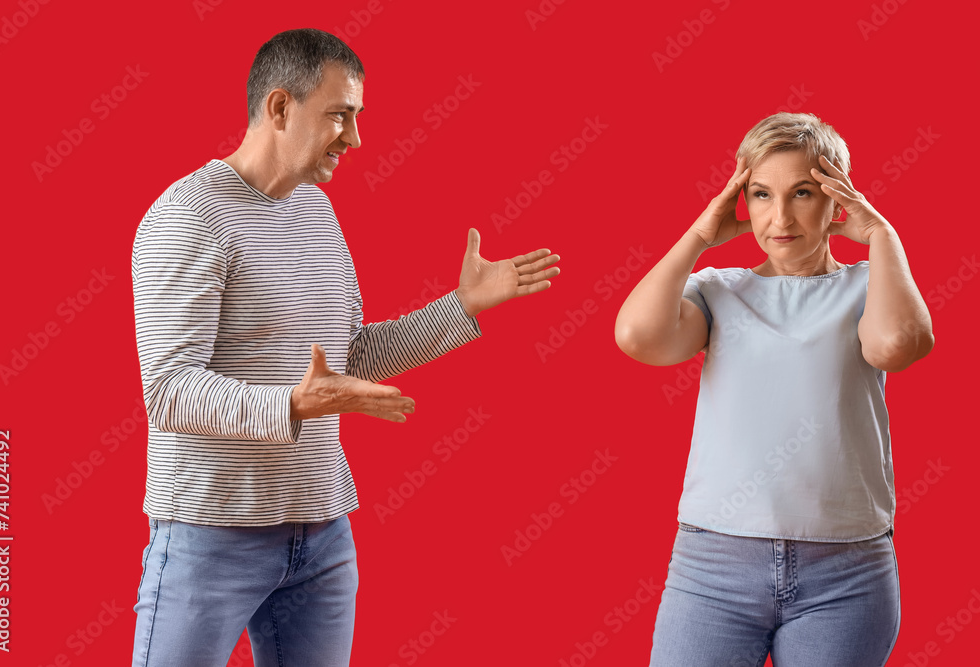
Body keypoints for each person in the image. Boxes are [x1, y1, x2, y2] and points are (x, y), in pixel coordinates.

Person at [130, 28, 560, 667]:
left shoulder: (316, 212)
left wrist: (462, 307)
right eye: (340, 115)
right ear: (280, 107)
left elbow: (347, 359)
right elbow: (169, 389)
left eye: (357, 117)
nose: (355, 138)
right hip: (210, 532)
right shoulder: (189, 216)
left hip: (322, 533)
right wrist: (293, 406)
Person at [615, 112, 933, 666]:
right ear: (743, 200)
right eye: (761, 194)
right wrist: (698, 238)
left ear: (837, 199)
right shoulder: (718, 291)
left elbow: (898, 345)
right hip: (713, 565)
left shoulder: (867, 285)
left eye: (803, 192)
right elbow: (638, 337)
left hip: (846, 571)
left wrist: (883, 235)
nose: (779, 217)